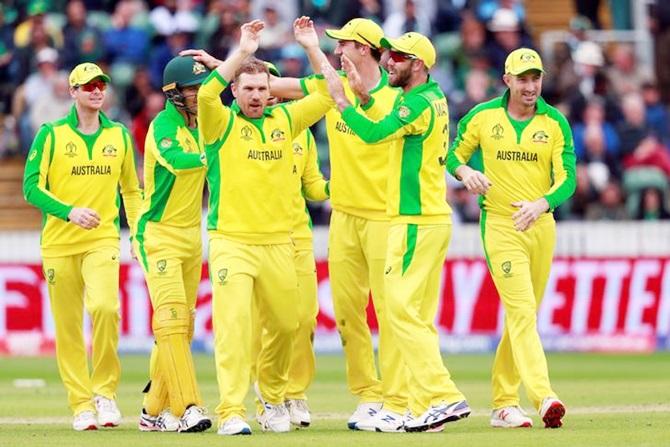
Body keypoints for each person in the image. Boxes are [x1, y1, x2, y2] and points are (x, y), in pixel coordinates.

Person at [321, 31, 471, 433]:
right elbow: (386, 122)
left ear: (418, 65)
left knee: (401, 312)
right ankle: (423, 409)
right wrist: (366, 99)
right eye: (388, 55)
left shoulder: (417, 103)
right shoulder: (427, 96)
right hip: (428, 219)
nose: (388, 61)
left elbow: (372, 135)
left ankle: (443, 395)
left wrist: (342, 100)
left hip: (413, 219)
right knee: (415, 315)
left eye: (398, 57)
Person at [189, 18, 330, 436]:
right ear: (236, 92)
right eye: (248, 89)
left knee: (289, 326)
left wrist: (309, 46)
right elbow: (210, 91)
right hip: (232, 241)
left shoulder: (285, 124)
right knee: (234, 329)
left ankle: (271, 398)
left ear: (273, 94)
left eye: (262, 90)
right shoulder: (220, 124)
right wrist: (243, 52)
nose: (255, 96)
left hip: (278, 244)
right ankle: (231, 410)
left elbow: (327, 91)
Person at [269, 17, 410, 431]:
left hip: (386, 217)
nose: (336, 50)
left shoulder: (396, 98)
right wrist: (224, 63)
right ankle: (369, 396)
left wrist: (313, 50)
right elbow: (274, 87)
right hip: (344, 216)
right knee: (349, 314)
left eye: (343, 44)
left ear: (363, 49)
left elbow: (366, 108)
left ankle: (399, 398)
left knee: (390, 311)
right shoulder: (335, 89)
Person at [447, 48, 575, 429]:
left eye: (535, 78)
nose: (530, 86)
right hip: (501, 225)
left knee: (523, 317)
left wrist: (543, 203)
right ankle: (544, 395)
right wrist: (465, 172)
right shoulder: (484, 116)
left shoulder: (554, 123)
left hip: (540, 226)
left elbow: (567, 178)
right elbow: (452, 153)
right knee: (521, 313)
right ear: (507, 80)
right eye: (522, 79)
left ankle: (504, 404)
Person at [22, 62, 141, 431]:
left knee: (106, 308)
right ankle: (81, 404)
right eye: (87, 86)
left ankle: (105, 393)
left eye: (100, 85)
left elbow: (131, 191)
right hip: (59, 244)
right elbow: (30, 188)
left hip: (102, 239)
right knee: (69, 328)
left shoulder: (119, 135)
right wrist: (68, 211)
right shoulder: (51, 135)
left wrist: (136, 231)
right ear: (72, 92)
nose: (96, 91)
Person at [134, 55, 212, 433]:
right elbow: (179, 161)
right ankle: (188, 407)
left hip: (191, 236)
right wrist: (211, 154)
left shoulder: (207, 123)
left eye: (201, 87)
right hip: (158, 234)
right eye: (192, 89)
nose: (198, 95)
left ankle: (151, 410)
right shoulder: (162, 126)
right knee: (171, 322)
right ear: (174, 93)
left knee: (183, 329)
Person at [249, 61, 329, 429]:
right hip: (257, 236)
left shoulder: (301, 133)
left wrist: (338, 187)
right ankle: (269, 395)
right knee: (264, 325)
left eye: (270, 88)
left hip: (297, 234)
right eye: (257, 89)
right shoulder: (238, 130)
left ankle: (295, 392)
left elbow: (313, 186)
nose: (264, 96)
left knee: (304, 319)